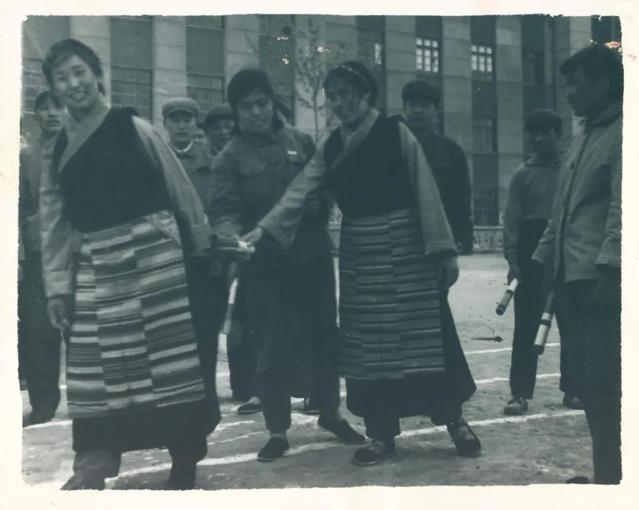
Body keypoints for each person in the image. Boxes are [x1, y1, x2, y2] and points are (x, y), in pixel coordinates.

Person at [243, 61, 480, 466]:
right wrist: (263, 230)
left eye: (348, 94)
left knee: (427, 337)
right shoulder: (331, 145)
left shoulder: (395, 132)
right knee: (369, 346)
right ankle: (381, 434)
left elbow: (425, 189)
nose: (340, 103)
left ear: (367, 94)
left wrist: (443, 250)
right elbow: (299, 191)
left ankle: (455, 421)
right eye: (333, 96)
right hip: (361, 254)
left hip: (408, 249)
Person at [39, 39, 221, 490]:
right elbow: (54, 223)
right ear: (54, 90)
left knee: (170, 365)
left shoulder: (135, 127)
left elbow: (180, 188)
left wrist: (202, 244)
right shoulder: (58, 150)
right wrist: (58, 288)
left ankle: (183, 460)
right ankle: (93, 465)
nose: (73, 83)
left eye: (79, 72)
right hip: (96, 267)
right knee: (94, 373)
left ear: (96, 75)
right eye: (62, 78)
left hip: (155, 260)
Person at [209, 68, 365, 462]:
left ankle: (330, 412)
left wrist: (318, 204)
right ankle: (277, 429)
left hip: (311, 257)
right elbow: (224, 211)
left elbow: (326, 189)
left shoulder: (301, 141)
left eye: (262, 103)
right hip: (265, 267)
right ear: (236, 112)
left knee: (323, 337)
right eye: (247, 107)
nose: (256, 113)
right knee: (272, 346)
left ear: (272, 102)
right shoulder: (229, 158)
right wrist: (232, 237)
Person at [532, 44, 622, 484]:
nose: (568, 93)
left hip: (601, 282)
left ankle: (615, 481)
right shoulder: (583, 136)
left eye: (575, 84)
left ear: (603, 84)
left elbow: (624, 208)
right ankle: (610, 475)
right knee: (589, 387)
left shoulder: (624, 133)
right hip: (572, 281)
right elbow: (562, 210)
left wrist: (611, 270)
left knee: (607, 389)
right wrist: (543, 261)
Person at [502, 109, 584, 415]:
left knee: (571, 323)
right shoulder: (522, 174)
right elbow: (511, 221)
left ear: (557, 134)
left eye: (544, 132)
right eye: (532, 133)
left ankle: (573, 389)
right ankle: (519, 393)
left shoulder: (571, 169)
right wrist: (513, 260)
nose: (537, 139)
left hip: (567, 249)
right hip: (530, 253)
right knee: (526, 326)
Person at [162, 97, 228, 425]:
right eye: (175, 119)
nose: (181, 125)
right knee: (170, 339)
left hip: (205, 262)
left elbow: (221, 210)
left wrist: (219, 254)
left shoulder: (212, 161)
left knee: (206, 336)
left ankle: (207, 408)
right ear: (165, 124)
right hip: (167, 262)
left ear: (194, 123)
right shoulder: (156, 158)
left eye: (186, 119)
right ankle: (175, 412)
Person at [18, 91, 67, 426]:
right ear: (36, 116)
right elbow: (16, 210)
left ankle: (93, 404)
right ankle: (43, 403)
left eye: (57, 107)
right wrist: (20, 257)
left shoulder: (81, 150)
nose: (52, 114)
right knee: (38, 330)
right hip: (39, 255)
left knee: (83, 330)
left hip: (76, 252)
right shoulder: (26, 157)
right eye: (44, 108)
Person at [399, 80, 474, 254]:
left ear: (436, 110)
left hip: (437, 241)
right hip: (397, 239)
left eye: (424, 105)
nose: (417, 110)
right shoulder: (392, 147)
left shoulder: (451, 152)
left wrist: (462, 237)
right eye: (412, 104)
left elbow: (461, 201)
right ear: (404, 108)